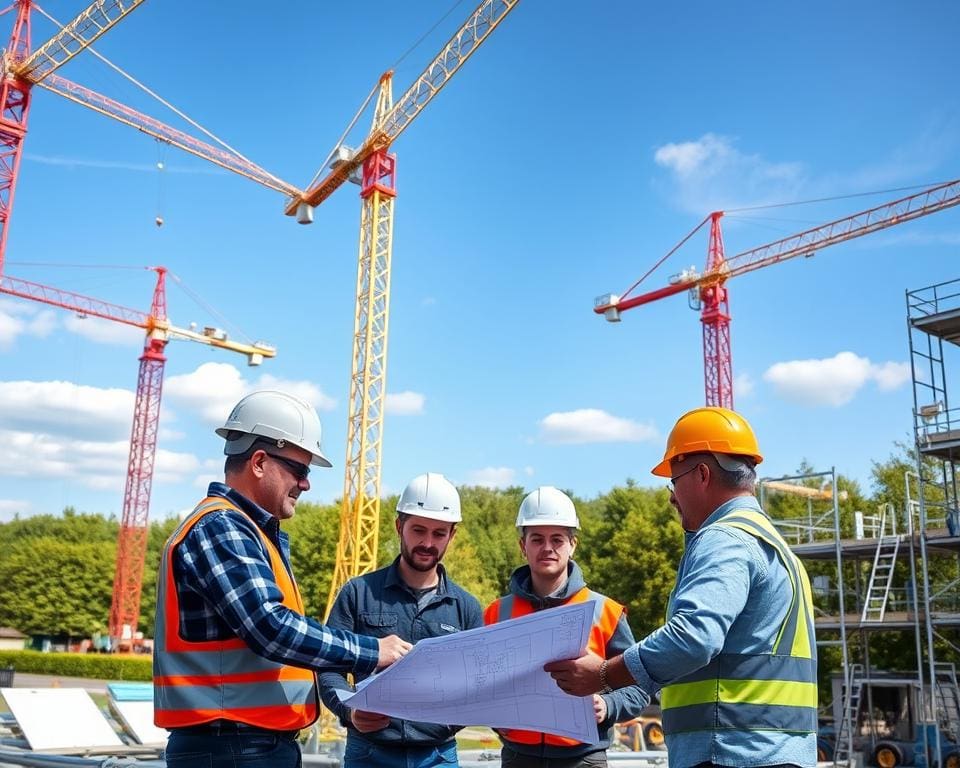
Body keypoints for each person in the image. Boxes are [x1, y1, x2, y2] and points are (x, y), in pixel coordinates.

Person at [545, 407, 818, 768]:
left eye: (673, 481)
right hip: (780, 752)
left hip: (729, 752)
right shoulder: (777, 548)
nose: (672, 497)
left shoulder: (724, 538)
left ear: (702, 474)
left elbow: (693, 637)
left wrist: (603, 674)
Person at [153, 390, 412, 768]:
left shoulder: (247, 532)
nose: (306, 484)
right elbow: (270, 627)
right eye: (300, 470)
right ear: (259, 461)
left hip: (248, 744)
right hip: (233, 746)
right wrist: (372, 652)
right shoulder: (222, 527)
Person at [318, 472, 484, 768]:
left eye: (439, 533)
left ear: (452, 535)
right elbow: (329, 669)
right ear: (399, 526)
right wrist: (349, 712)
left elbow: (481, 684)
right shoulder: (358, 593)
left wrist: (451, 723)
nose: (427, 542)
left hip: (439, 756)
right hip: (368, 752)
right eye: (418, 530)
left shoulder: (466, 608)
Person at [485, 486, 649, 768]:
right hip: (516, 757)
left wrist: (608, 706)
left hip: (584, 759)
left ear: (573, 544)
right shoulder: (496, 613)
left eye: (557, 539)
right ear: (523, 545)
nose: (547, 548)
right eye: (537, 539)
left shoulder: (605, 611)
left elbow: (640, 688)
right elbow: (478, 685)